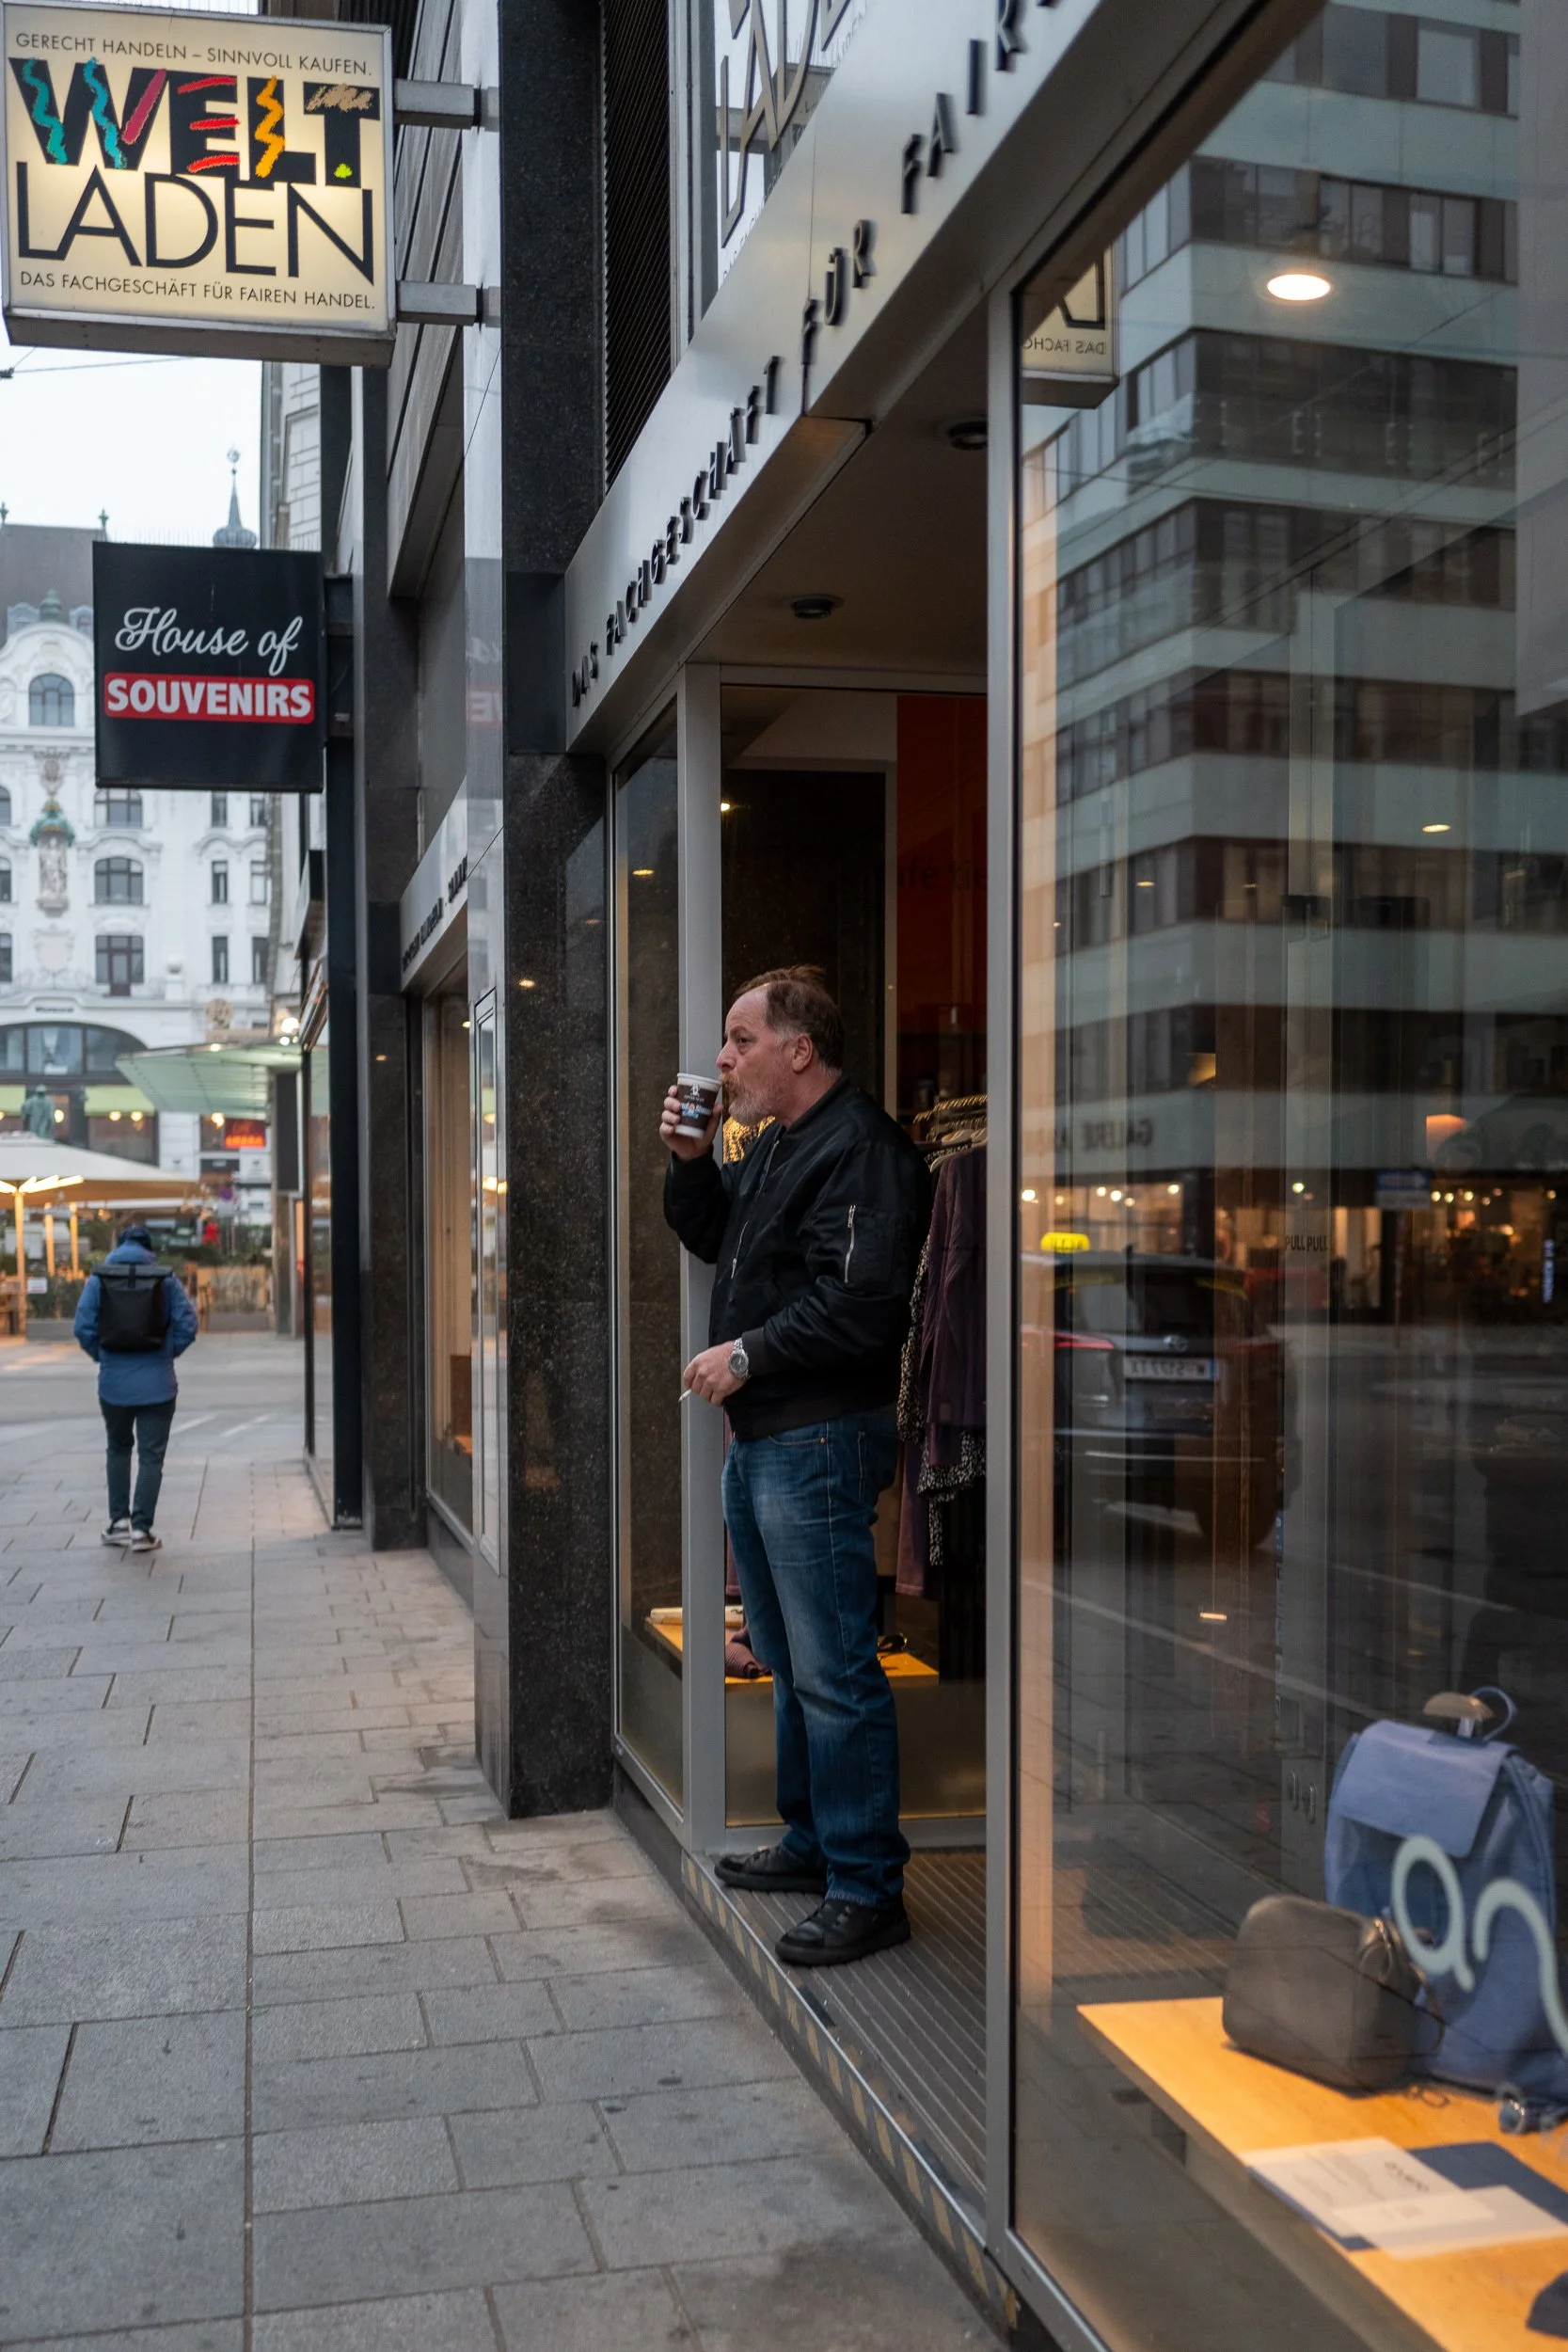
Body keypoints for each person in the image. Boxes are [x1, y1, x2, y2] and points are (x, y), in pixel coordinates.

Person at [663, 966, 931, 1967]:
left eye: (739, 1040)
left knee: (831, 1669)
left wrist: (748, 1354)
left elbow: (863, 1305)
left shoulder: (860, 1149)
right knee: (787, 1654)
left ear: (798, 1049)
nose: (722, 1060)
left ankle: (867, 1888)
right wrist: (692, 1159)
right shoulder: (779, 1144)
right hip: (771, 1435)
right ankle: (817, 1843)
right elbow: (712, 1230)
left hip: (816, 1434)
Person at [73, 1223, 198, 1554]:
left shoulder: (99, 1279)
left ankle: (117, 1525)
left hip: (113, 1384)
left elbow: (82, 1326)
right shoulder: (165, 1279)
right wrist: (165, 1352)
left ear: (119, 1245)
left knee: (117, 1448)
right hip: (158, 1384)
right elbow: (188, 1324)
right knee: (151, 1456)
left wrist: (105, 1357)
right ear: (149, 1248)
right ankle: (142, 1530)